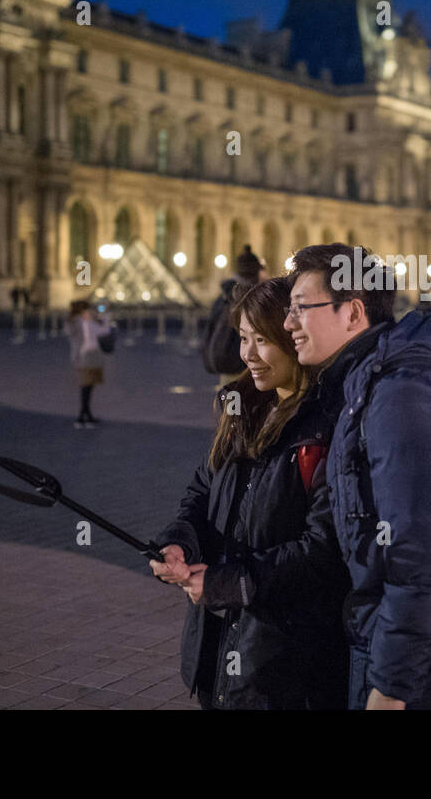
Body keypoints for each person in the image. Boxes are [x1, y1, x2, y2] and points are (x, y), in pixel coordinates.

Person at [284, 243, 431, 710]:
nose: (289, 323)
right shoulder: (375, 382)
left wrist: (390, 690)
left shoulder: (400, 393)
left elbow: (419, 554)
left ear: (352, 313)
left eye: (300, 309)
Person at [148, 277, 350, 709]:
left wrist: (229, 584)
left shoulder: (327, 427)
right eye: (243, 338)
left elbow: (324, 552)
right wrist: (178, 541)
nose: (248, 355)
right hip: (215, 651)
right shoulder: (241, 410)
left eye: (262, 339)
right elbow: (201, 493)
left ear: (293, 336)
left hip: (284, 665)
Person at [202, 244, 265, 388]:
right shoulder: (252, 297)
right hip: (244, 365)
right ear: (256, 273)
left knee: (231, 406)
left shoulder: (224, 295)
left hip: (226, 361)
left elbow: (210, 326)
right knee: (246, 405)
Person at [65, 300, 112, 427]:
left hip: (94, 356)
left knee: (90, 386)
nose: (90, 312)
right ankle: (81, 417)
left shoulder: (91, 322)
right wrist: (81, 320)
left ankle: (86, 415)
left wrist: (105, 318)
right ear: (81, 312)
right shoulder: (75, 323)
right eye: (87, 310)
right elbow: (70, 332)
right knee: (85, 387)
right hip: (83, 357)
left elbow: (105, 331)